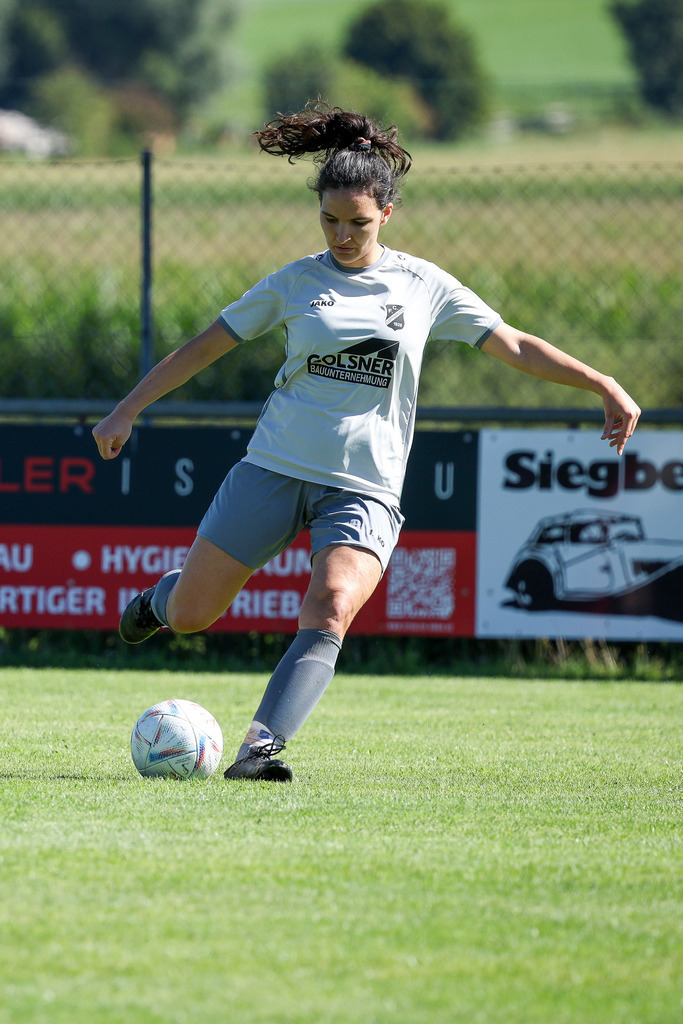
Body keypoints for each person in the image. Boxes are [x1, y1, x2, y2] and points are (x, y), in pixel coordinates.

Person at [92, 101, 641, 782]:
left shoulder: (423, 285)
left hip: (365, 484)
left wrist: (600, 381)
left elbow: (516, 344)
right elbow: (204, 346)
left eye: (357, 222)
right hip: (273, 467)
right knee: (195, 614)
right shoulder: (294, 283)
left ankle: (259, 749)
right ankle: (157, 602)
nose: (342, 236)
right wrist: (127, 409)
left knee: (330, 605)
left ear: (386, 214)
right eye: (329, 221)